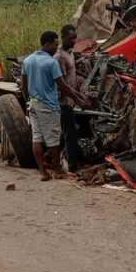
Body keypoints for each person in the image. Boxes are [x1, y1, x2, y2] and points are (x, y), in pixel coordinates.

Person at [22, 31, 86, 181]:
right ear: (47, 43)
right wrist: (79, 98)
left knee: (37, 138)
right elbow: (63, 86)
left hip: (33, 103)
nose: (57, 48)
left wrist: (27, 102)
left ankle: (43, 172)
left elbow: (24, 85)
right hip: (48, 105)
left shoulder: (28, 60)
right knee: (53, 140)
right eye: (55, 44)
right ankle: (57, 170)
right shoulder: (51, 63)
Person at [54, 24, 82, 172]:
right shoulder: (59, 57)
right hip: (63, 101)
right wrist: (77, 97)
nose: (74, 41)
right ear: (63, 37)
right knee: (69, 134)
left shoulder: (70, 53)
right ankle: (72, 165)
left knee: (65, 132)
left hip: (70, 100)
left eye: (75, 38)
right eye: (71, 38)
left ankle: (56, 159)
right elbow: (61, 83)